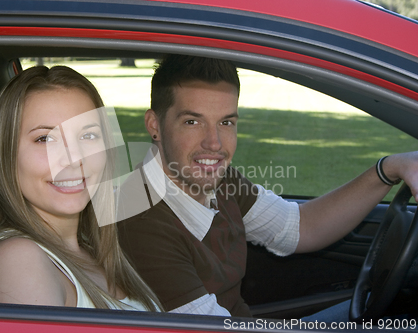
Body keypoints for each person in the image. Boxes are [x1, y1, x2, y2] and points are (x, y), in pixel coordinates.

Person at [117, 54, 418, 317]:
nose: (214, 144)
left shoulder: (217, 179)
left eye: (226, 122)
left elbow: (299, 226)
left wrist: (388, 169)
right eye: (192, 122)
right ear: (154, 125)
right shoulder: (140, 222)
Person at [0, 66, 161, 311]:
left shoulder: (92, 248)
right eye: (45, 138)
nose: (74, 158)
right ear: (0, 154)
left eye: (88, 135)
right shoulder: (17, 262)